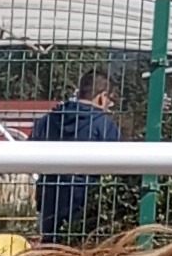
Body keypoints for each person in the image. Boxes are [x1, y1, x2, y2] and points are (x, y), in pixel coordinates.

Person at [32, 67, 124, 245]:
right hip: (88, 209)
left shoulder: (49, 120)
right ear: (102, 97)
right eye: (110, 101)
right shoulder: (105, 126)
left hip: (50, 203)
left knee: (51, 252)